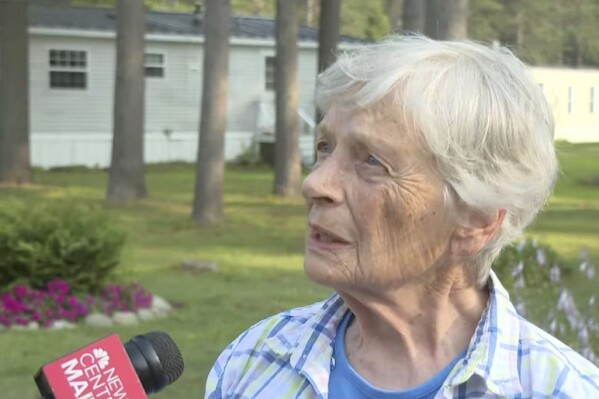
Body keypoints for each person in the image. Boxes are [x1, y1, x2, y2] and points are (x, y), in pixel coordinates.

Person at [204, 35, 599, 398]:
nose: (315, 183)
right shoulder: (253, 363)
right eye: (325, 147)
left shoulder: (559, 389)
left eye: (372, 161)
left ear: (476, 219)